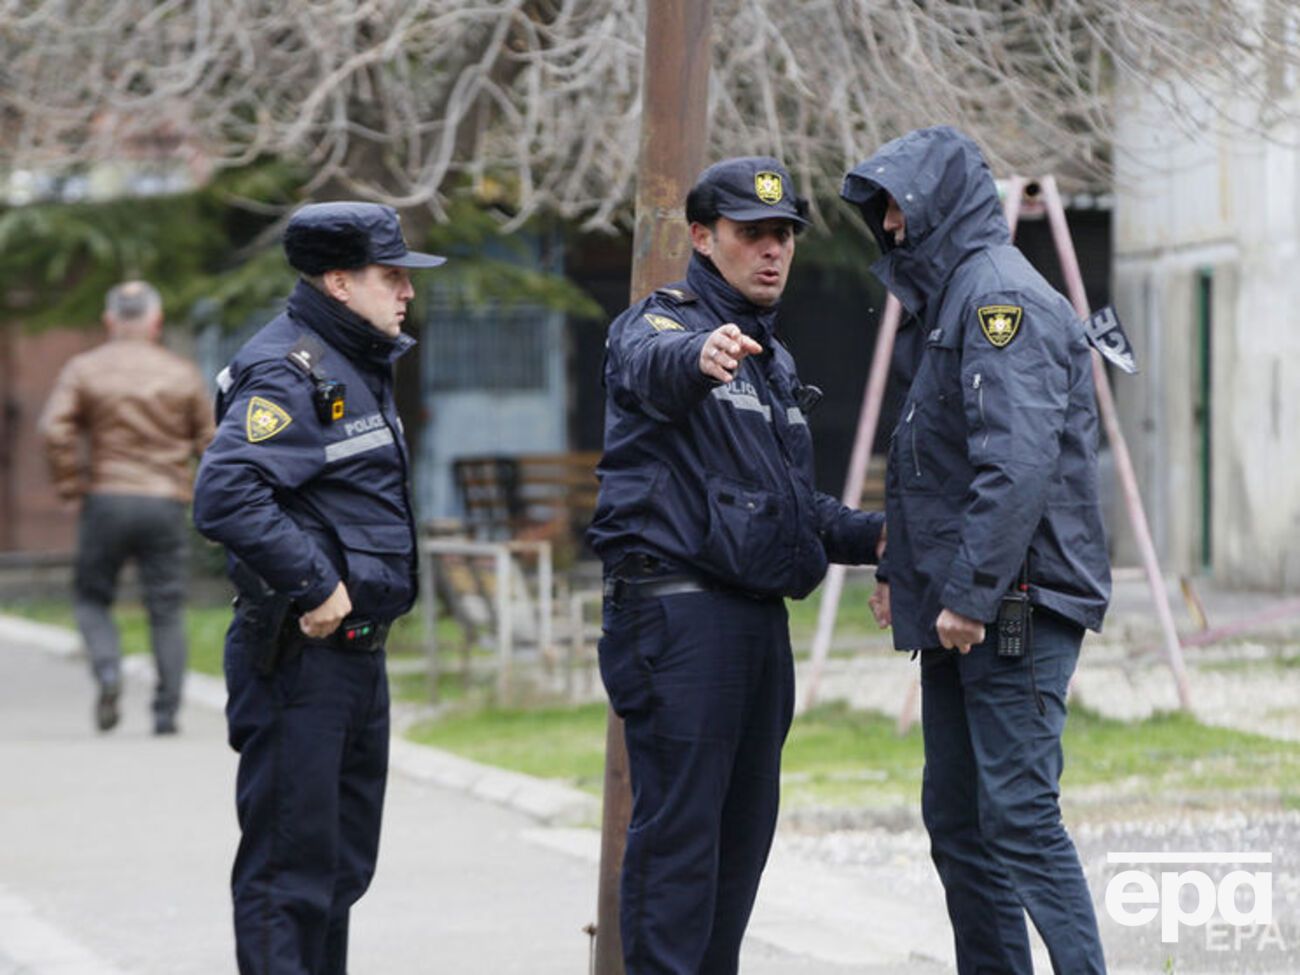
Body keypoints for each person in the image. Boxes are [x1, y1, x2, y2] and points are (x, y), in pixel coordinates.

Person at [587, 156, 884, 974]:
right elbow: (651, 361)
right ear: (703, 238)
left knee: (739, 845)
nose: (772, 251)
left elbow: (792, 510)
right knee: (680, 843)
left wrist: (878, 539)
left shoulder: (771, 361)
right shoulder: (663, 323)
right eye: (753, 235)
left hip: (753, 619)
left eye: (783, 235)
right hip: (679, 618)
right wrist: (698, 353)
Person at [841, 126, 1112, 974]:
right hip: (968, 608)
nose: (886, 227)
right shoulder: (952, 299)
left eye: (895, 206)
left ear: (937, 206)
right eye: (880, 210)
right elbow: (937, 461)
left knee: (1021, 820)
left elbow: (1015, 463)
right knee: (960, 823)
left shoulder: (1001, 300)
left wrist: (967, 594)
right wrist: (902, 574)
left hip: (1012, 607)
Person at [192, 201, 444, 975]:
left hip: (355, 659)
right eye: (389, 275)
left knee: (336, 873)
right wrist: (314, 583)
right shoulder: (288, 368)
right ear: (339, 281)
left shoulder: (354, 364)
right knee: (288, 877)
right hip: (301, 661)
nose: (405, 290)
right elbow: (226, 492)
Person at [39, 280, 214, 735]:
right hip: (166, 502)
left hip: (107, 498)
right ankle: (166, 712)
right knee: (167, 607)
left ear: (110, 321)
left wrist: (71, 487)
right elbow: (211, 442)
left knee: (91, 596)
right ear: (156, 322)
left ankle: (108, 671)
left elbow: (55, 431)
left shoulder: (83, 369)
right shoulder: (181, 372)